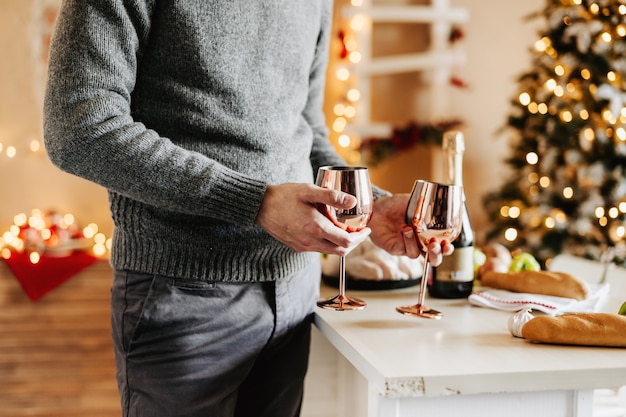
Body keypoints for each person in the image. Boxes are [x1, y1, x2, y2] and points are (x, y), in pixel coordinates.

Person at [43, 1, 453, 417]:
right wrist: (255, 202)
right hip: (183, 293)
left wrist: (371, 204)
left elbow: (305, 133)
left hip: (295, 288)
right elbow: (79, 129)